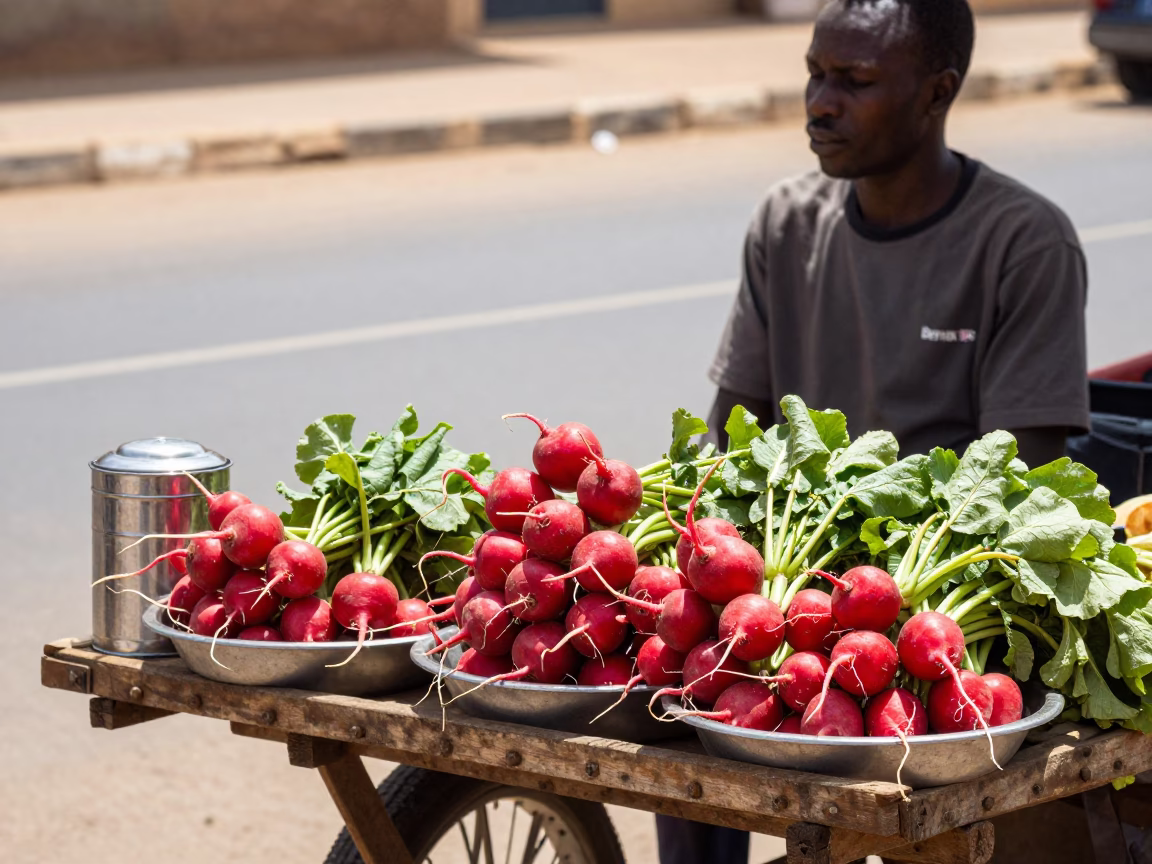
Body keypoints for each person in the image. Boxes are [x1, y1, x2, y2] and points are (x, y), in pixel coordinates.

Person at [657, 0, 1089, 861]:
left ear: (938, 92)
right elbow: (731, 438)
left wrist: (866, 614)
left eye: (854, 82)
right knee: (675, 716)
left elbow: (1021, 486)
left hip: (924, 617)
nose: (820, 102)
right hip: (787, 601)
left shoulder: (1023, 242)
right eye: (815, 73)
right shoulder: (787, 222)